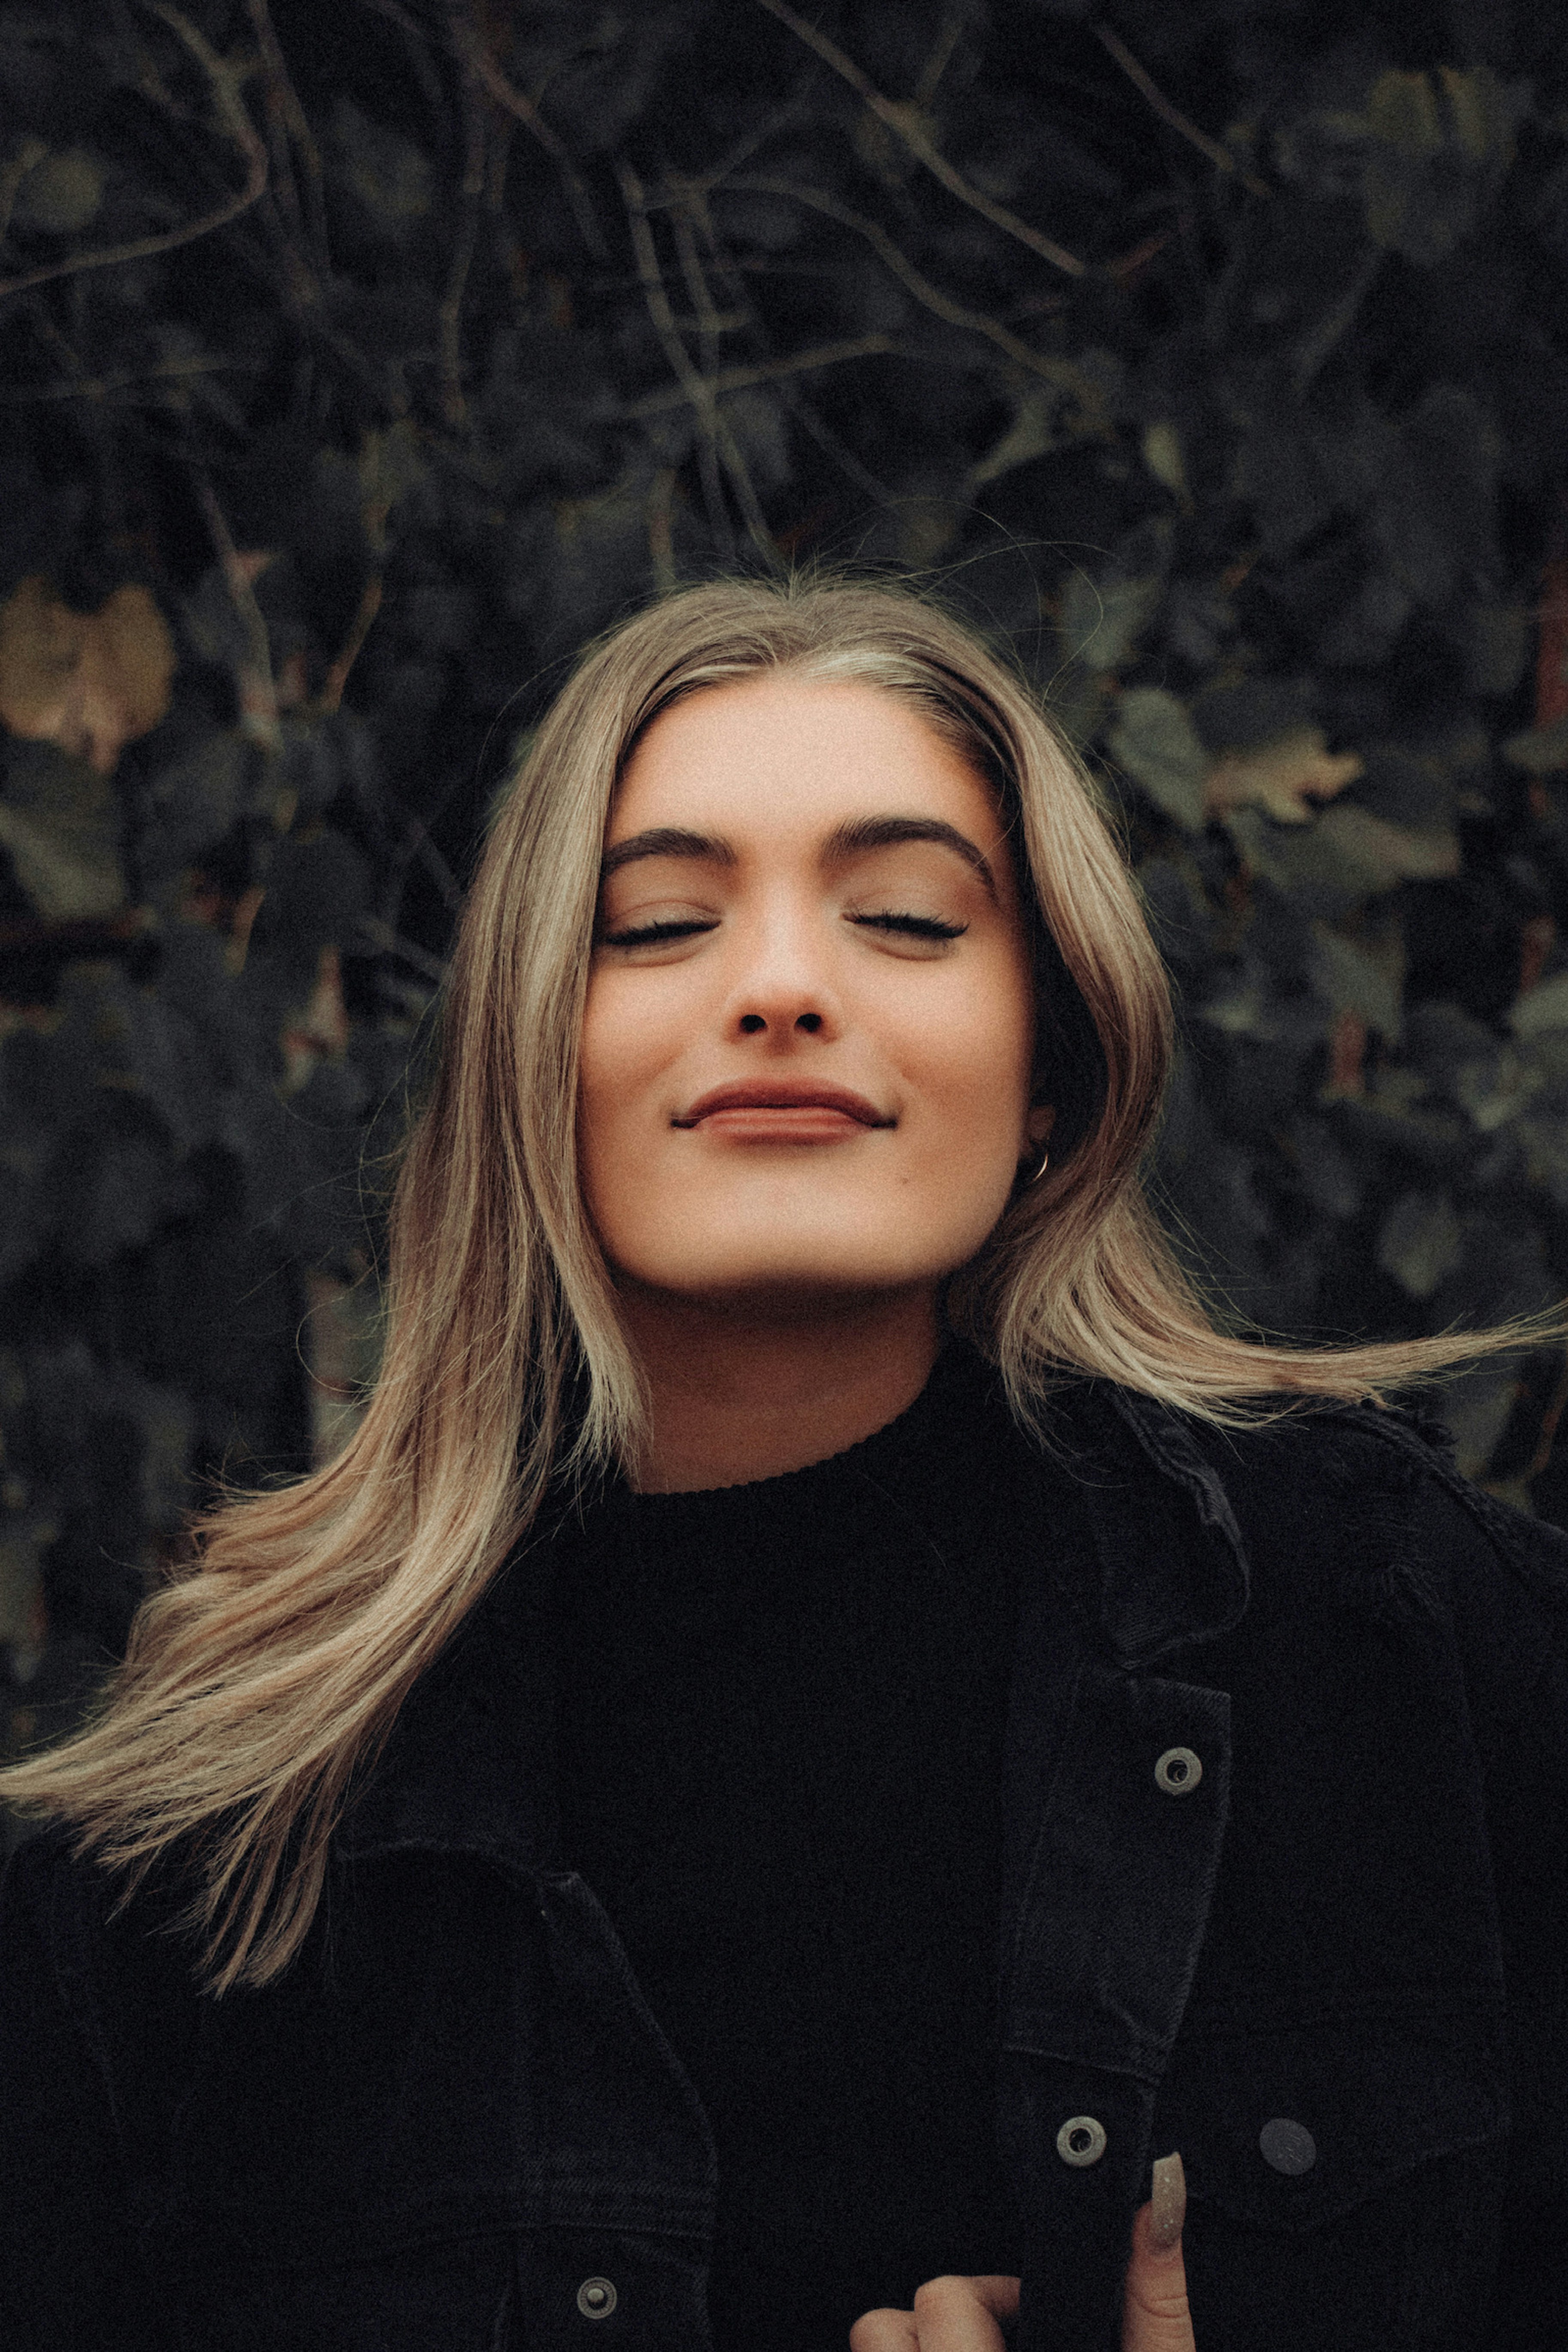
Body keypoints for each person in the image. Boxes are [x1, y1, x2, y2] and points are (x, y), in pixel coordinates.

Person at [1, 572, 1564, 2352]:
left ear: (1049, 1071)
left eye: (902, 917)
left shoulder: (1390, 1638)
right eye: (659, 924)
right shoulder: (205, 1860)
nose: (780, 988)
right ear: (529, 1062)